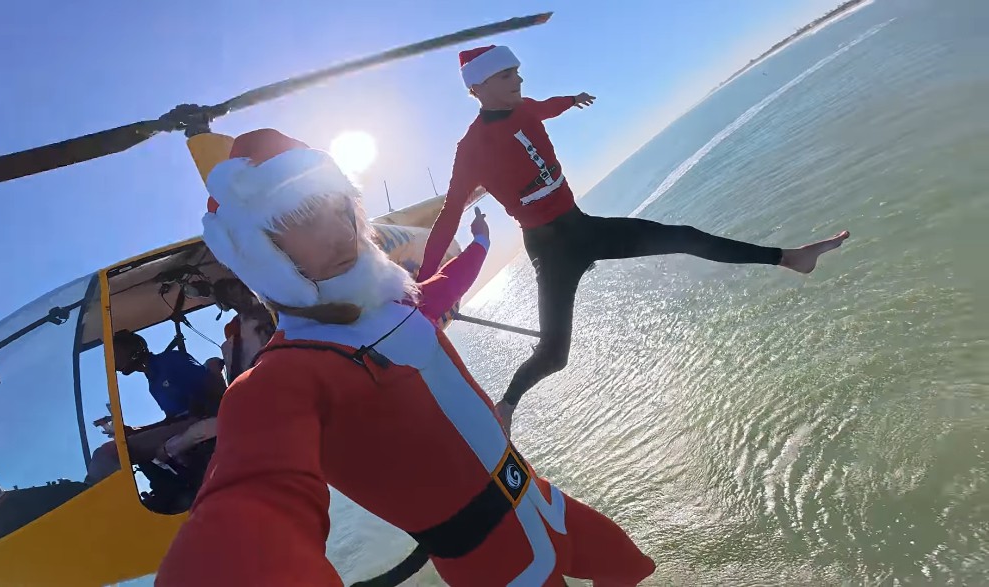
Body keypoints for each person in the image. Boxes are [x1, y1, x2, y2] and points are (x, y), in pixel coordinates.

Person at [154, 128, 656, 586]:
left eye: (338, 207)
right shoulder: (283, 376)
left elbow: (446, 283)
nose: (339, 232)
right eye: (302, 217)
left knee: (629, 566)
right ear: (260, 251)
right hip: (495, 564)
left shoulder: (396, 304)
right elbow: (249, 518)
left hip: (541, 502)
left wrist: (481, 241)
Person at [417, 45, 851, 434]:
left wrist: (571, 100)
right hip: (551, 251)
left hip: (583, 229)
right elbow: (449, 215)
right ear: (478, 86)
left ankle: (789, 258)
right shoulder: (471, 149)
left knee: (684, 237)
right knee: (554, 354)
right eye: (507, 74)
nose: (519, 78)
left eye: (516, 71)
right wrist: (421, 283)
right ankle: (507, 406)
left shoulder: (525, 108)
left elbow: (546, 107)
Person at [84, 331, 225, 484]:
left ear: (134, 347)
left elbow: (210, 387)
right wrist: (135, 431)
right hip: (185, 423)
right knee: (112, 451)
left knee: (109, 453)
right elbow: (170, 420)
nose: (114, 361)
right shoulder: (153, 385)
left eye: (116, 353)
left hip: (199, 419)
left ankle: (89, 490)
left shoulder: (170, 360)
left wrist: (200, 409)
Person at [211, 277, 276, 383]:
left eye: (241, 290)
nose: (241, 295)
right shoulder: (233, 328)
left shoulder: (274, 306)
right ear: (229, 303)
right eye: (231, 294)